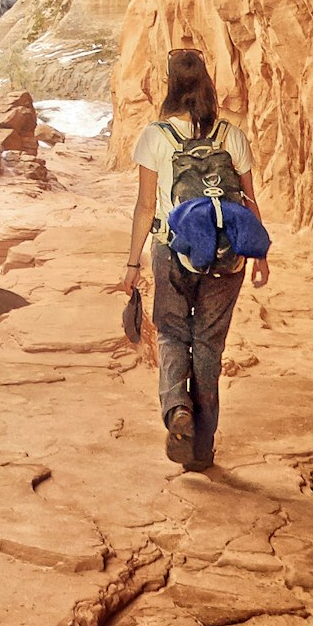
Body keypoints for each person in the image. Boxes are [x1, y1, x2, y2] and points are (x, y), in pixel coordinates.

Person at [122, 50, 256, 472]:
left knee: (173, 336)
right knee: (209, 345)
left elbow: (146, 206)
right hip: (227, 255)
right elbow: (249, 202)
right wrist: (261, 253)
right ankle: (202, 447)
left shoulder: (155, 136)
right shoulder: (231, 136)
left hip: (172, 250)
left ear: (170, 86)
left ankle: (177, 410)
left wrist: (132, 264)